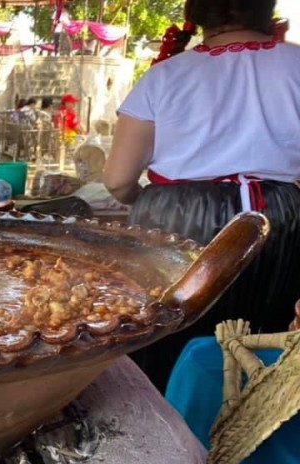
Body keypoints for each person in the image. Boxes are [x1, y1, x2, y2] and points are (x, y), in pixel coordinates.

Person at [102, 0, 300, 392]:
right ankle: (254, 430)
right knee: (270, 344)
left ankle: (174, 423)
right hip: (279, 218)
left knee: (168, 342)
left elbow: (118, 179)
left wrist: (141, 201)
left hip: (177, 218)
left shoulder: (164, 76)